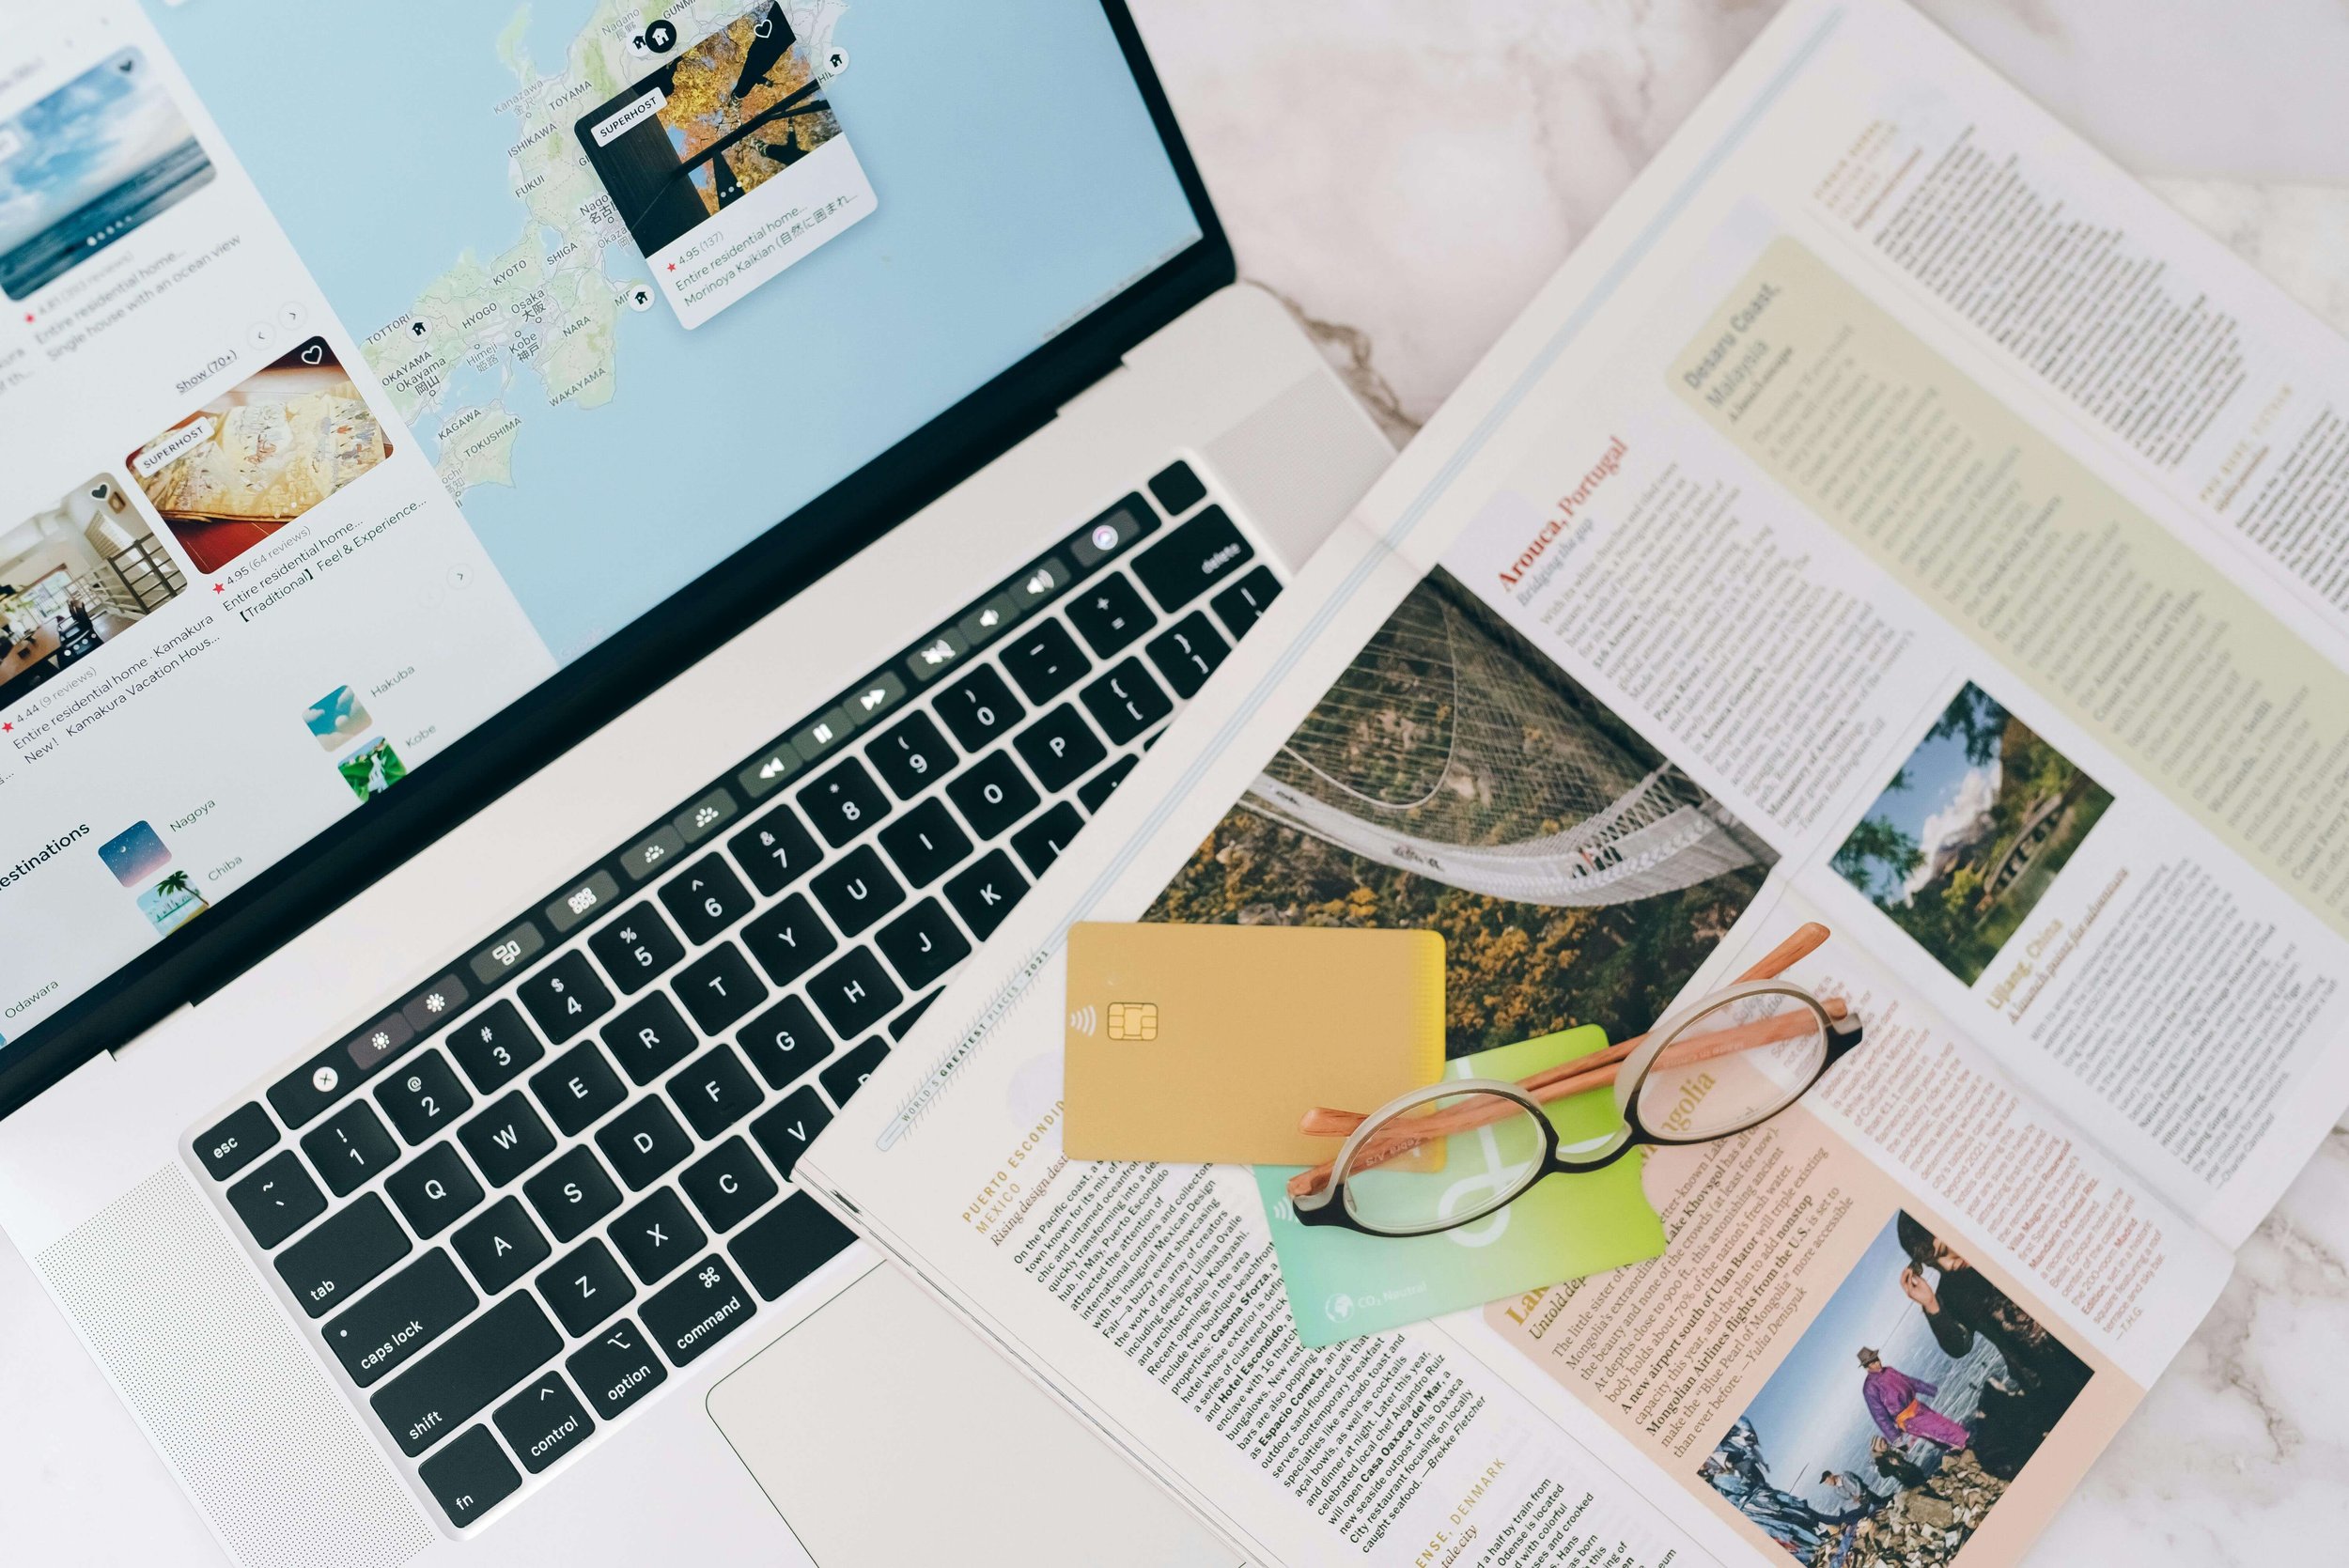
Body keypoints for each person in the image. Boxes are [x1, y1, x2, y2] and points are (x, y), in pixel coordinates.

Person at [1894, 1214, 2089, 1477]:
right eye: (1938, 1257)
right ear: (1925, 1264)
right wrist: (1931, 1305)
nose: (1952, 1257)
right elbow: (1959, 1346)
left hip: (2082, 1346)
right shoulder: (1952, 1292)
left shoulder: (1997, 1243)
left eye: (1950, 1242)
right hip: (2042, 1381)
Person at [1857, 1347, 1969, 1451]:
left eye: (1877, 1359)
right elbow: (1879, 1416)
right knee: (1940, 1430)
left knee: (1942, 1425)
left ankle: (1962, 1448)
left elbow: (1911, 1382)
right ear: (1867, 1366)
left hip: (1918, 1407)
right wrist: (1895, 1438)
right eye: (1873, 1362)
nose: (1877, 1363)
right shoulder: (1869, 1388)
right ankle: (1966, 1443)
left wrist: (1932, 1390)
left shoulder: (1889, 1370)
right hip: (1908, 1419)